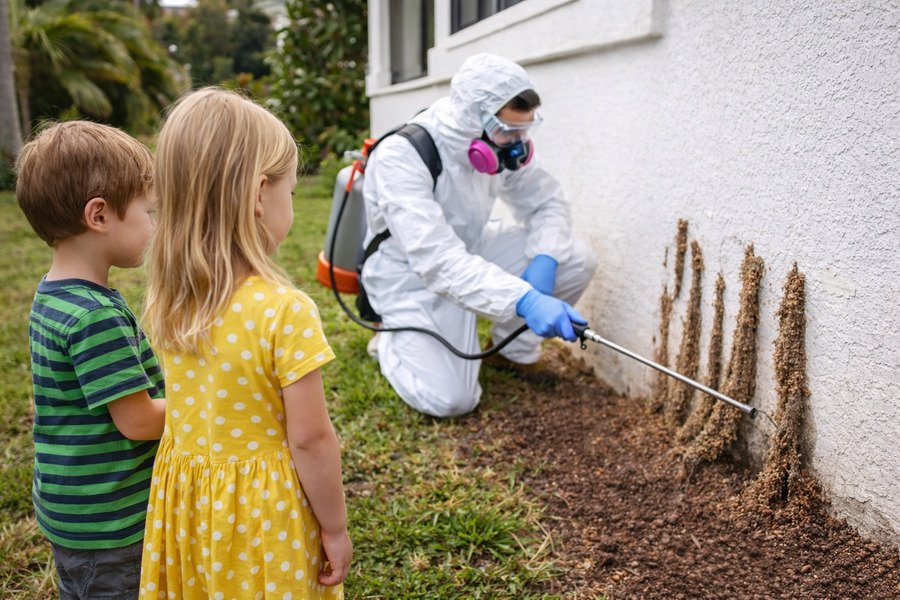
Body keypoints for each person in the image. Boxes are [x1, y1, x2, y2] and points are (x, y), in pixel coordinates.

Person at [139, 88, 351, 599]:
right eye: (292, 191)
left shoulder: (171, 298)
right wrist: (336, 527)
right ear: (259, 194)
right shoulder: (285, 310)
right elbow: (311, 439)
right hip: (263, 515)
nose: (292, 204)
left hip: (190, 505)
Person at [361, 53, 597, 418]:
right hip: (411, 276)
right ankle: (389, 337)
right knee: (451, 400)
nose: (518, 143)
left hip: (471, 250)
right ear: (472, 120)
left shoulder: (503, 144)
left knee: (574, 259)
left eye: (525, 129)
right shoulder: (401, 156)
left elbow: (546, 202)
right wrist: (524, 300)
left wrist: (546, 257)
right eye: (508, 130)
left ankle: (510, 352)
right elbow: (438, 262)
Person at [15, 121, 166, 599]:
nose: (155, 225)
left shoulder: (52, 294)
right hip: (110, 519)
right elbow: (139, 421)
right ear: (99, 216)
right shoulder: (94, 315)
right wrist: (205, 402)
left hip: (72, 510)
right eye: (148, 211)